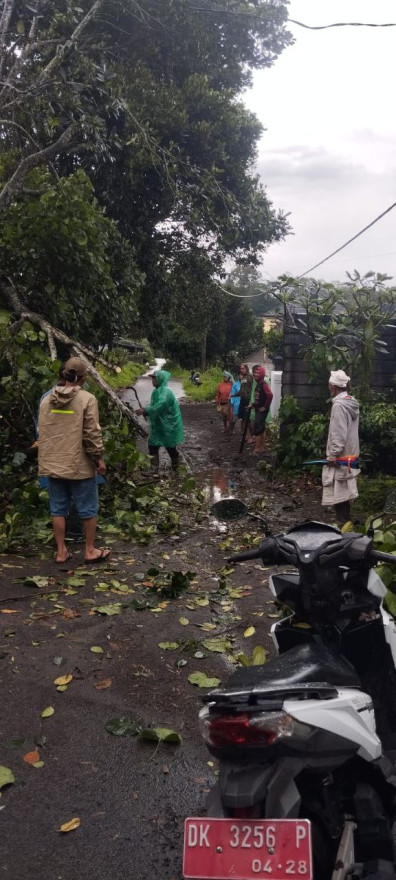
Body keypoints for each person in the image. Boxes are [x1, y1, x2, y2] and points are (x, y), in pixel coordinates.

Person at [38, 357, 109, 565]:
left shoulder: (46, 399)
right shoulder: (87, 399)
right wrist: (98, 458)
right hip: (79, 463)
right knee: (88, 509)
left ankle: (61, 552)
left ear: (64, 374)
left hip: (53, 462)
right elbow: (91, 433)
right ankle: (89, 550)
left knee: (58, 509)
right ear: (83, 378)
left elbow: (42, 431)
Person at [322, 369, 360, 526]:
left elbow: (339, 434)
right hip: (351, 454)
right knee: (344, 490)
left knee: (340, 492)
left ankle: (343, 525)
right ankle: (345, 522)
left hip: (342, 457)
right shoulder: (351, 402)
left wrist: (333, 454)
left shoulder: (338, 406)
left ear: (333, 386)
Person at [136, 369, 184, 471]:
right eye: (152, 378)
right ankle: (154, 469)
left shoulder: (166, 392)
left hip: (168, 425)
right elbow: (154, 406)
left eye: (154, 378)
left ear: (160, 379)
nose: (152, 380)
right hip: (159, 424)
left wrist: (146, 410)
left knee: (170, 447)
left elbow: (160, 405)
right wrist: (146, 410)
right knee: (152, 444)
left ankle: (176, 467)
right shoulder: (156, 391)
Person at [250, 365, 273, 453]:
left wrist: (265, 407)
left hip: (261, 410)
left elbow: (270, 395)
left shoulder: (263, 384)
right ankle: (263, 447)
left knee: (257, 428)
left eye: (258, 373)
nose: (255, 374)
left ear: (262, 374)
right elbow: (259, 397)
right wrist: (253, 404)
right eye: (255, 373)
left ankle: (257, 448)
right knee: (261, 428)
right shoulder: (258, 384)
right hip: (258, 409)